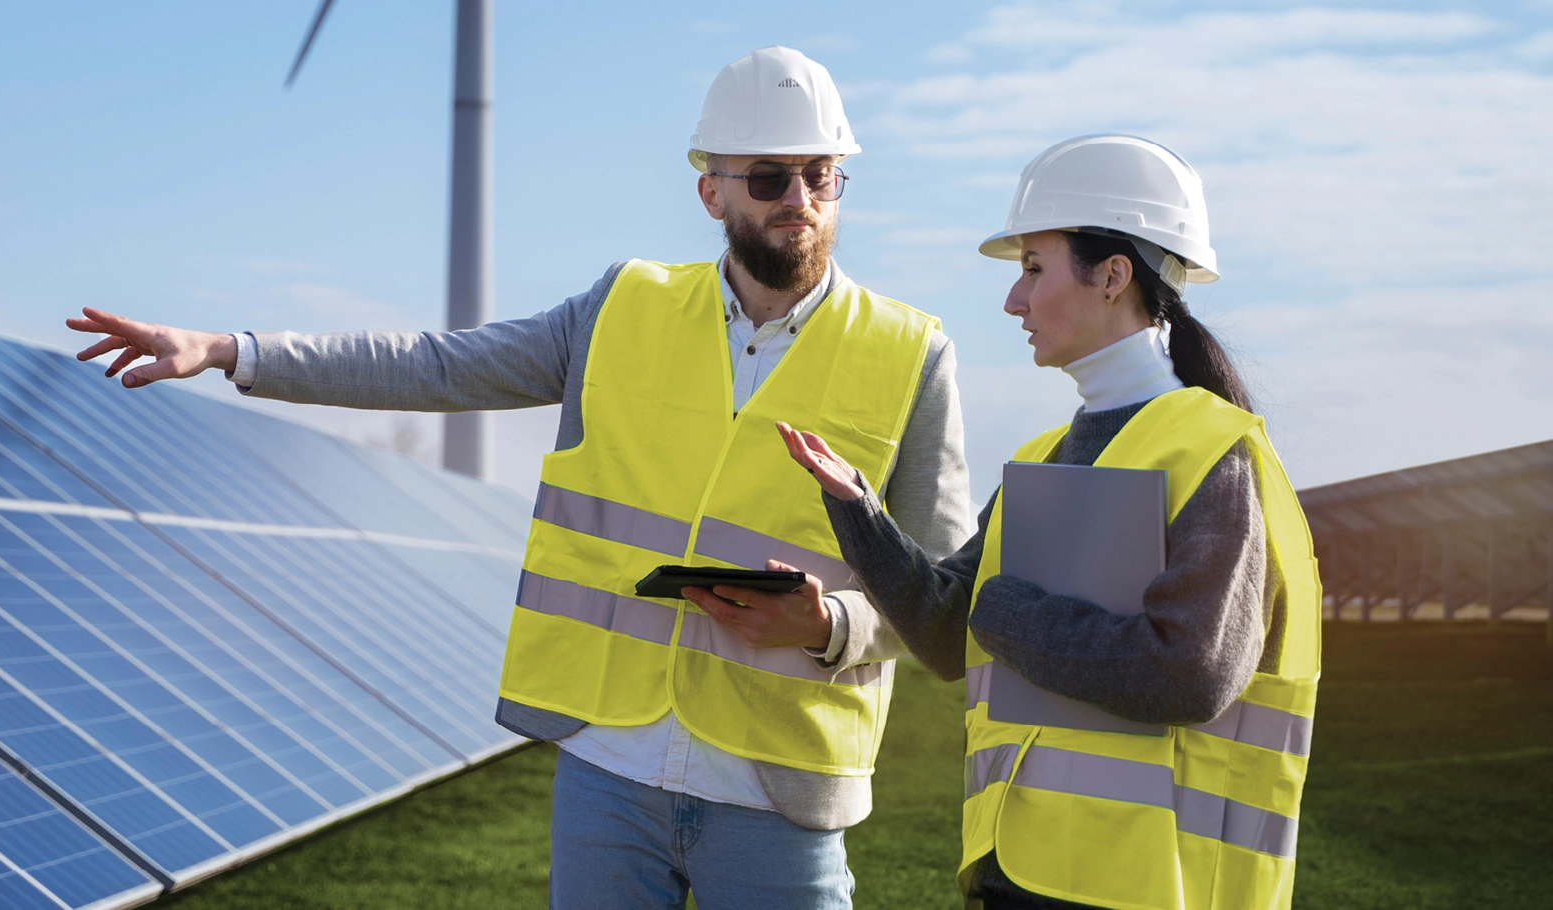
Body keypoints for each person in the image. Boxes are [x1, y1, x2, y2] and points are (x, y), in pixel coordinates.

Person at [65, 47, 972, 909]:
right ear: (711, 192)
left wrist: (831, 625)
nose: (800, 200)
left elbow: (939, 599)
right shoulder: (624, 305)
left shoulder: (909, 353)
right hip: (608, 768)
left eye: (821, 174)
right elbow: (437, 366)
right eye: (770, 178)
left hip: (782, 787)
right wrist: (233, 351)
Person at [760, 134, 1321, 909]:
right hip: (1024, 869)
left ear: (1113, 276)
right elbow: (949, 631)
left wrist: (1004, 610)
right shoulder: (1048, 454)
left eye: (1032, 270)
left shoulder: (1211, 451)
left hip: (1151, 887)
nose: (1013, 301)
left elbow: (1190, 672)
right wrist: (860, 510)